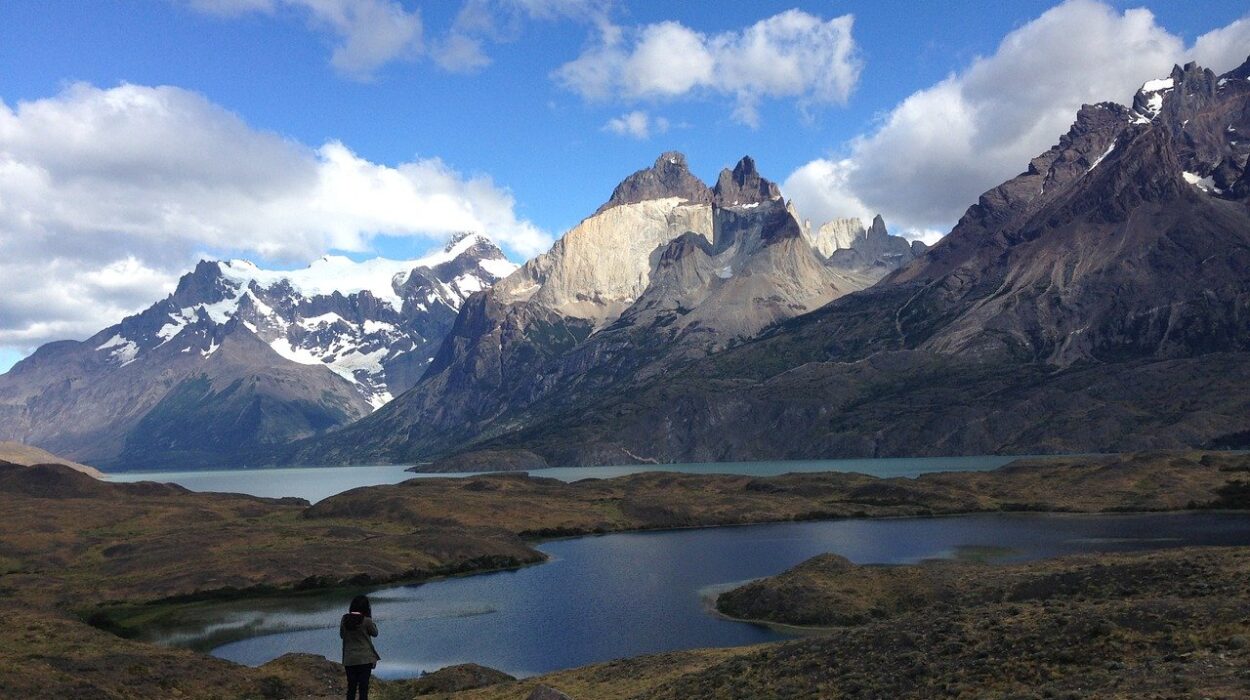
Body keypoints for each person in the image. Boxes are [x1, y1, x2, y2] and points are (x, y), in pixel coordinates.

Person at [340, 594, 381, 700]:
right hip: (365, 659)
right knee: (363, 688)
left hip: (349, 659)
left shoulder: (344, 619)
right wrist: (371, 620)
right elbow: (375, 633)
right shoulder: (367, 620)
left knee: (351, 687)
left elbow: (342, 635)